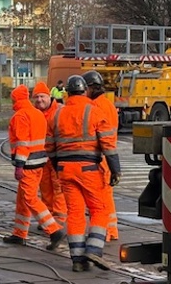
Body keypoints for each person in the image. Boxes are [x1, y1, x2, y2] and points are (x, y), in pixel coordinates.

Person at [46, 75, 120, 272]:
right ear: (85, 90)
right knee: (99, 209)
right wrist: (115, 170)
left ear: (67, 93)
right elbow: (108, 144)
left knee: (76, 214)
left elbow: (50, 148)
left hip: (65, 170)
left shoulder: (57, 115)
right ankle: (94, 250)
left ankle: (78, 260)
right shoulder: (93, 111)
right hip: (89, 169)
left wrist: (58, 166)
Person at [2, 85, 66, 249]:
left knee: (30, 199)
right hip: (40, 162)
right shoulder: (37, 114)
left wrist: (19, 165)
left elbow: (23, 143)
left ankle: (54, 231)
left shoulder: (20, 116)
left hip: (28, 164)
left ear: (15, 99)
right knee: (22, 199)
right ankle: (19, 233)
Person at [83, 70, 119, 242]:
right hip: (106, 155)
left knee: (102, 198)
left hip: (101, 157)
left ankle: (107, 230)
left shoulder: (97, 107)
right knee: (105, 196)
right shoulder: (107, 104)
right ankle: (110, 229)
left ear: (91, 88)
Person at [31, 82, 67, 226]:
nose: (39, 100)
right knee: (45, 189)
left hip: (58, 156)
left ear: (49, 96)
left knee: (58, 188)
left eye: (42, 96)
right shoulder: (34, 112)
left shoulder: (60, 110)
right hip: (41, 158)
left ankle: (59, 218)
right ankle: (48, 218)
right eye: (36, 97)